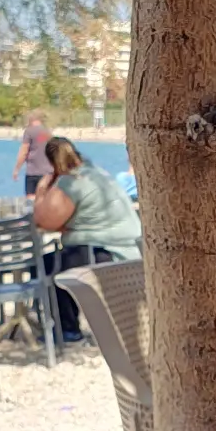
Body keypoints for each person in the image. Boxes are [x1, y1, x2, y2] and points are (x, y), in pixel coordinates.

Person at [32, 136, 141, 343]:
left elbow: (43, 220)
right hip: (130, 247)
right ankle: (63, 324)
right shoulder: (96, 172)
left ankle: (67, 328)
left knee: (47, 265)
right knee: (58, 259)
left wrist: (42, 190)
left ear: (52, 161)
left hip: (105, 250)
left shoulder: (72, 181)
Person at [13, 109, 54, 197]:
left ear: (31, 119)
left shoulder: (29, 131)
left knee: (31, 201)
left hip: (33, 172)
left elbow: (24, 151)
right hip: (48, 173)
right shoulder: (48, 132)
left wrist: (16, 169)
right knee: (45, 199)